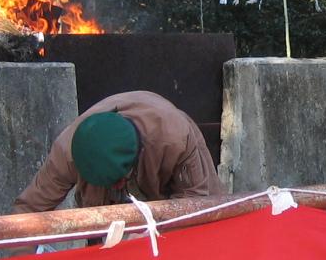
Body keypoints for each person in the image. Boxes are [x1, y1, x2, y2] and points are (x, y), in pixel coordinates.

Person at [13, 90, 223, 212]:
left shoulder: (175, 137)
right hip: (109, 214)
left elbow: (194, 201)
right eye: (109, 183)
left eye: (119, 179)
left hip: (172, 181)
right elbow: (29, 211)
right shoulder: (66, 152)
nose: (117, 186)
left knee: (207, 230)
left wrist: (152, 229)